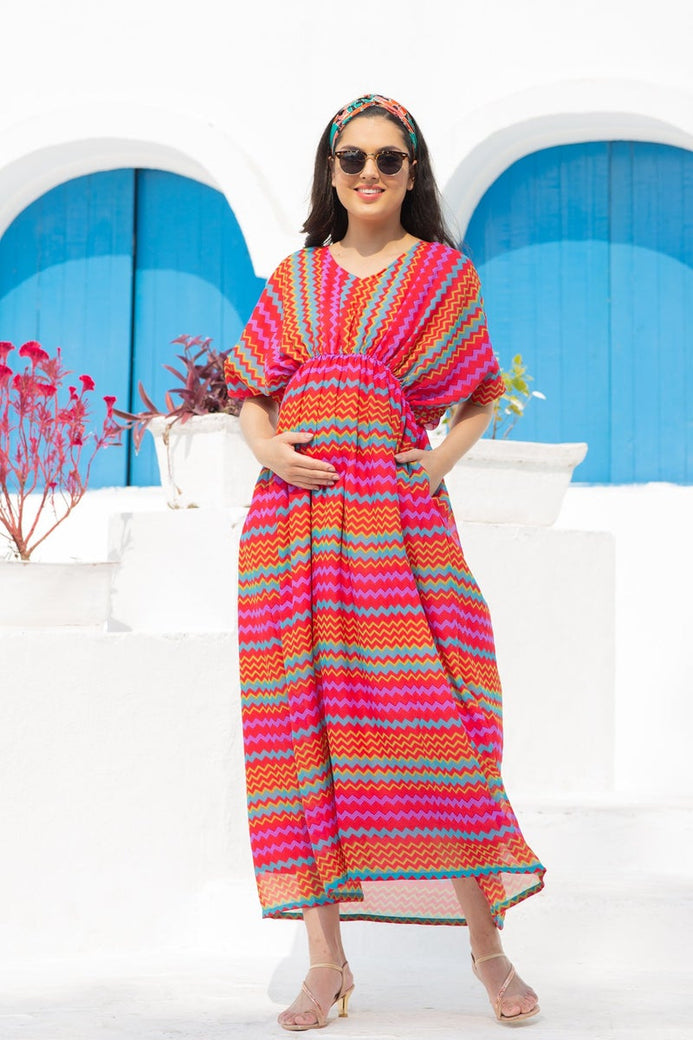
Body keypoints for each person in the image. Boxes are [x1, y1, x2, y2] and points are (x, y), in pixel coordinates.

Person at [224, 94, 546, 1031]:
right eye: (352, 158)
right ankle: (326, 965)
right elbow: (251, 390)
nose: (369, 173)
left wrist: (435, 464)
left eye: (388, 159)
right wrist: (267, 447)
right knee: (303, 728)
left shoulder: (442, 274)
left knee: (441, 718)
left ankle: (486, 948)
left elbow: (477, 391)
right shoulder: (295, 276)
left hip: (399, 521)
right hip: (289, 523)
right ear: (330, 172)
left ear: (412, 173)